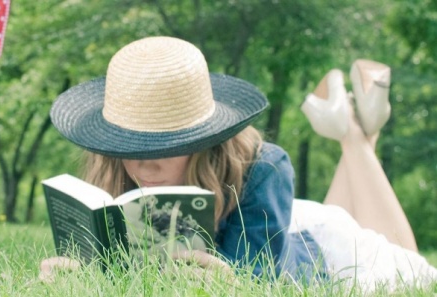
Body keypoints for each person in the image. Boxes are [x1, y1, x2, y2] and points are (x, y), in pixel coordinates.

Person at [40, 36, 437, 291]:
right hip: (290, 220)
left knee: (414, 268)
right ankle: (351, 122)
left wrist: (227, 281)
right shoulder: (113, 170)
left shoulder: (264, 168)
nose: (144, 165)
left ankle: (353, 131)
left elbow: (259, 280)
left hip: (329, 253)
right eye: (130, 144)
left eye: (163, 145)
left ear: (203, 141)